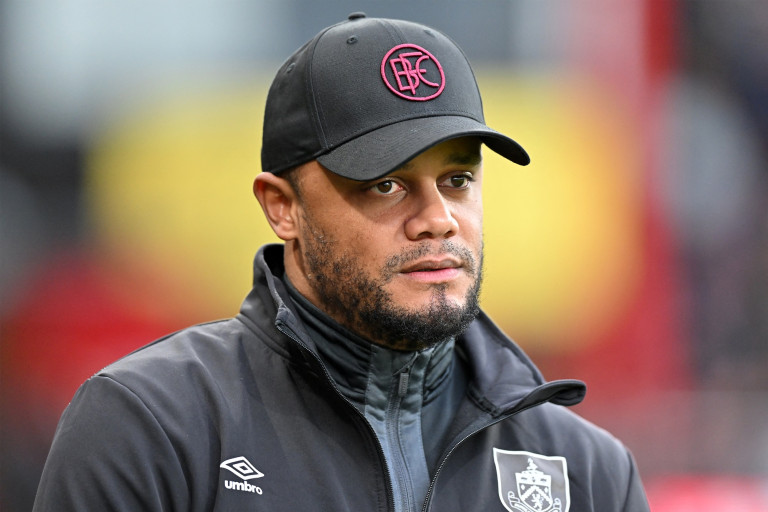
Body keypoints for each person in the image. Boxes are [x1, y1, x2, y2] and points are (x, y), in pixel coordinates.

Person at [33, 13, 650, 511]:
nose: (438, 218)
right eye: (386, 185)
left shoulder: (588, 471)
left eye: (458, 179)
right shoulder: (152, 425)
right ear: (282, 208)